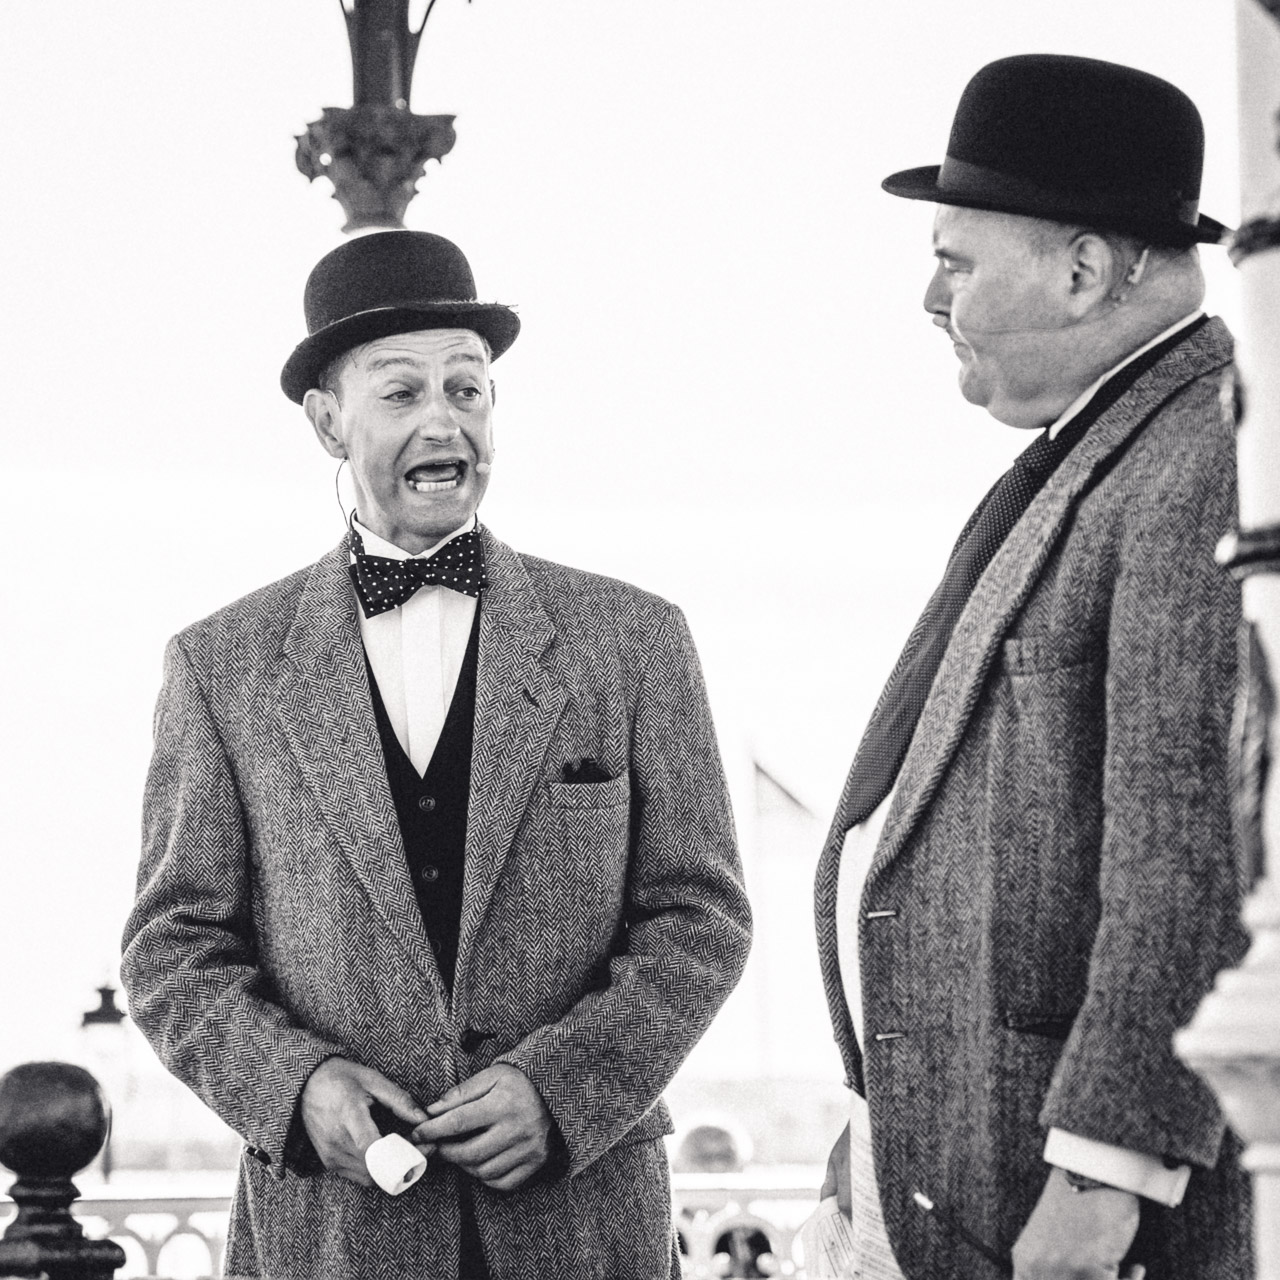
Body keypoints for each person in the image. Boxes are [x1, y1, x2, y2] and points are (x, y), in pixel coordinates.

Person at [121, 229, 751, 1280]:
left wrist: (564, 1086)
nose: (444, 419)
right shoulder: (218, 666)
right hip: (329, 1234)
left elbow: (700, 915)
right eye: (401, 392)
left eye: (468, 387)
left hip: (582, 1225)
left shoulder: (633, 639)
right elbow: (170, 946)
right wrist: (298, 1084)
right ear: (328, 422)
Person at [814, 55, 1252, 1280]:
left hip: (1076, 1221)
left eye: (953, 260)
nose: (925, 295)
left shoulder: (1203, 458)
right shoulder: (1105, 451)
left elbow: (1190, 850)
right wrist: (876, 1118)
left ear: (1079, 268)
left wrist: (1102, 1173)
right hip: (962, 1176)